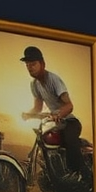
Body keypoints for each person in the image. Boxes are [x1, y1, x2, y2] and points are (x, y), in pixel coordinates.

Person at [19, 45, 86, 177]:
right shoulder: (34, 85)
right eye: (27, 65)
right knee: (45, 141)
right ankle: (53, 174)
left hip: (70, 122)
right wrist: (28, 114)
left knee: (68, 139)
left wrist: (58, 114)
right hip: (56, 124)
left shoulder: (53, 80)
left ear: (42, 64)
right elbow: (38, 108)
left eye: (33, 64)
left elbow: (69, 105)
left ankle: (79, 173)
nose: (30, 67)